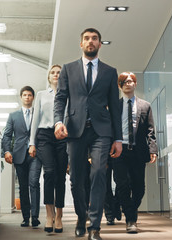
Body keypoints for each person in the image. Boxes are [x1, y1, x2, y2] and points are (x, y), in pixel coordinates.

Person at [53, 27, 122, 240]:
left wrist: (118, 138)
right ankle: (81, 217)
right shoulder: (68, 69)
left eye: (94, 39)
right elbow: (61, 98)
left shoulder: (110, 72)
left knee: (99, 173)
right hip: (75, 130)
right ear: (81, 44)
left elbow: (114, 106)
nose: (90, 41)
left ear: (100, 44)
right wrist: (57, 122)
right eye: (86, 38)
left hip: (102, 131)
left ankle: (95, 227)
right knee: (76, 179)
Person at [112, 72, 157, 234]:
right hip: (120, 151)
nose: (128, 84)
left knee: (139, 189)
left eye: (131, 81)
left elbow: (151, 130)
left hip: (138, 151)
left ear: (135, 84)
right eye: (124, 82)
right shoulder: (115, 106)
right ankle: (131, 220)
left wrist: (153, 149)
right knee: (123, 185)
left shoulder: (145, 106)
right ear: (120, 86)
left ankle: (120, 204)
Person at [28, 65, 68, 233]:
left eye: (59, 72)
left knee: (60, 176)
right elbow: (35, 119)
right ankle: (49, 215)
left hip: (62, 136)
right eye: (53, 72)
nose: (56, 75)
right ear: (48, 76)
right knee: (49, 172)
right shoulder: (41, 95)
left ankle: (59, 215)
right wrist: (32, 142)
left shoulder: (67, 94)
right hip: (44, 135)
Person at [2, 86, 42, 228]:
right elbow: (7, 135)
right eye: (24, 95)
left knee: (34, 183)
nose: (27, 97)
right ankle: (26, 217)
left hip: (35, 154)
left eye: (30, 95)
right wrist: (7, 151)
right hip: (19, 156)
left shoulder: (39, 113)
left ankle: (35, 217)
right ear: (21, 97)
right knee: (23, 187)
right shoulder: (13, 116)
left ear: (33, 97)